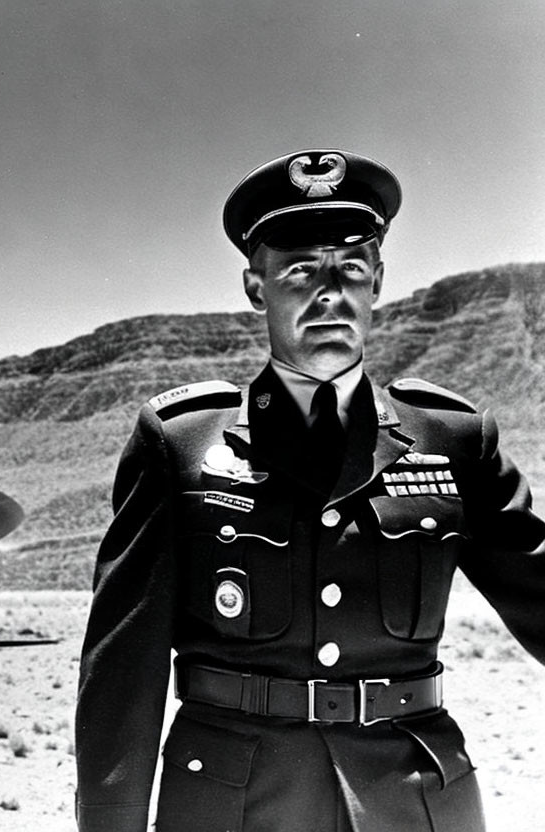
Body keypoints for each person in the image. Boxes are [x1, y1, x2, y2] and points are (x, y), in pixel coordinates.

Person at [74, 148, 545, 832]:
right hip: (232, 804)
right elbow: (123, 669)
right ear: (255, 287)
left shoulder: (452, 438)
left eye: (351, 269)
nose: (331, 293)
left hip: (411, 801)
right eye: (301, 271)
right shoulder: (180, 442)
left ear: (378, 282)